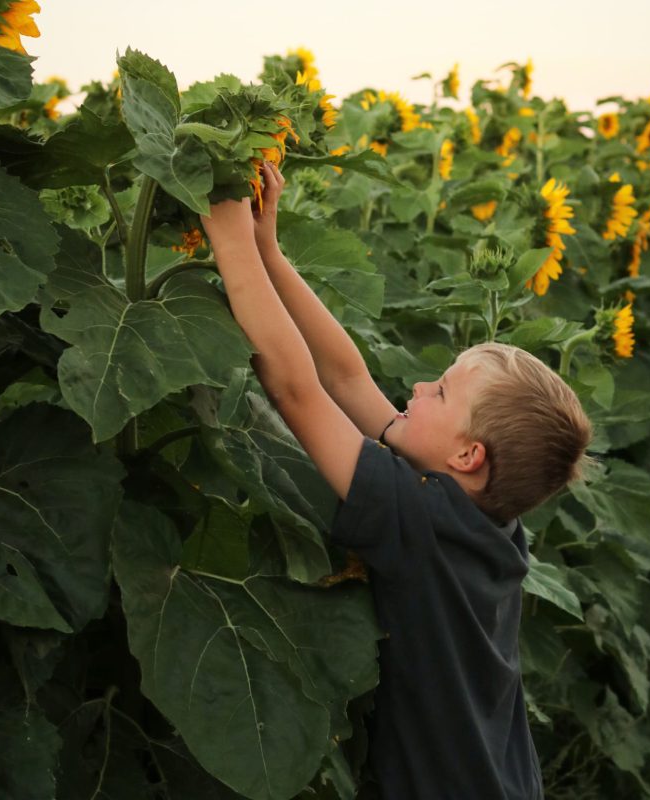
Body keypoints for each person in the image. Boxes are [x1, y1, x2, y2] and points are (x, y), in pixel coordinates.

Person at [200, 162, 592, 800]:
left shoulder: (423, 524)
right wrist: (268, 251)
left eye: (438, 390)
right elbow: (348, 380)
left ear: (467, 455)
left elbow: (298, 391)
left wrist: (231, 242)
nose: (414, 386)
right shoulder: (488, 521)